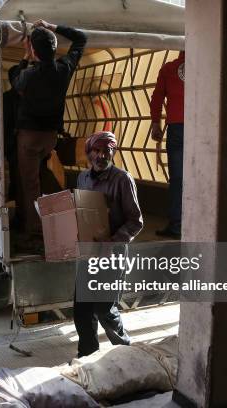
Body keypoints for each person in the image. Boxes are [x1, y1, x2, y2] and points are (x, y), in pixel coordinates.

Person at [8, 19, 87, 243]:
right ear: (54, 48)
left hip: (29, 138)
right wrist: (53, 27)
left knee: (30, 183)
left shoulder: (28, 76)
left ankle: (35, 230)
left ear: (33, 50)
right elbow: (81, 38)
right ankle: (57, 221)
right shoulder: (64, 69)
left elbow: (14, 80)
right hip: (50, 138)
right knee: (48, 177)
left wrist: (25, 57)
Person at [74, 131, 144, 357]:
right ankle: (87, 357)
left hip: (112, 254)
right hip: (87, 254)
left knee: (104, 309)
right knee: (82, 310)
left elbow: (136, 221)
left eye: (107, 151)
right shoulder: (83, 178)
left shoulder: (123, 179)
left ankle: (126, 353)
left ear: (113, 153)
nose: (102, 155)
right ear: (89, 153)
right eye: (97, 150)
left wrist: (113, 241)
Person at [150, 51, 185, 239]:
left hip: (177, 127)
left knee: (178, 178)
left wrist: (156, 123)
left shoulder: (169, 68)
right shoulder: (207, 64)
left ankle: (177, 225)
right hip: (203, 126)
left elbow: (157, 97)